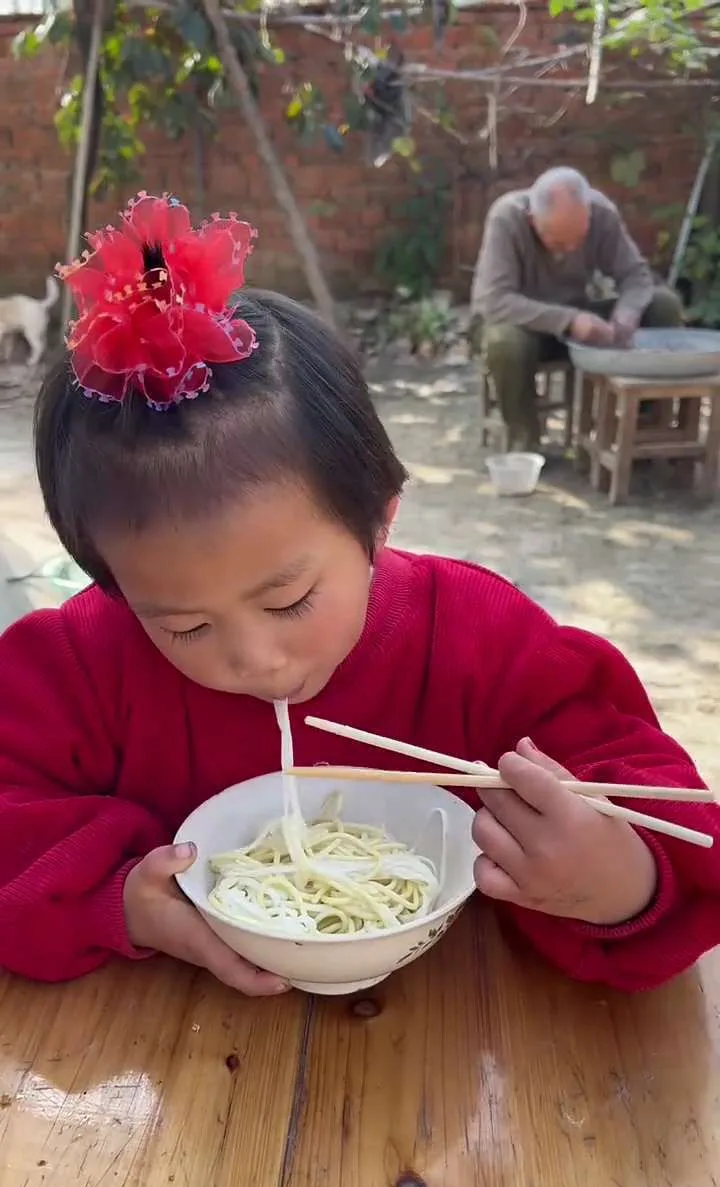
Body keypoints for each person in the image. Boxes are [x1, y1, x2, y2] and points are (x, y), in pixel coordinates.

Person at [0, 193, 718, 997]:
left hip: (466, 1047)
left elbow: (657, 804)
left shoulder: (479, 638)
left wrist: (623, 882)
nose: (255, 660)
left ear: (378, 520)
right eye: (185, 625)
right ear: (113, 582)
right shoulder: (84, 662)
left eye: (289, 601)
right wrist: (118, 902)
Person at [471, 167, 683, 450]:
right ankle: (525, 442)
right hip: (521, 328)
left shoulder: (602, 213)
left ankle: (643, 427)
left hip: (577, 324)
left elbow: (636, 276)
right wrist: (569, 320)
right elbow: (494, 301)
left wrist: (626, 314)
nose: (569, 249)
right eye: (557, 242)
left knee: (664, 304)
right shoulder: (506, 217)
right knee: (504, 342)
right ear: (532, 220)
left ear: (588, 216)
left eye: (578, 239)